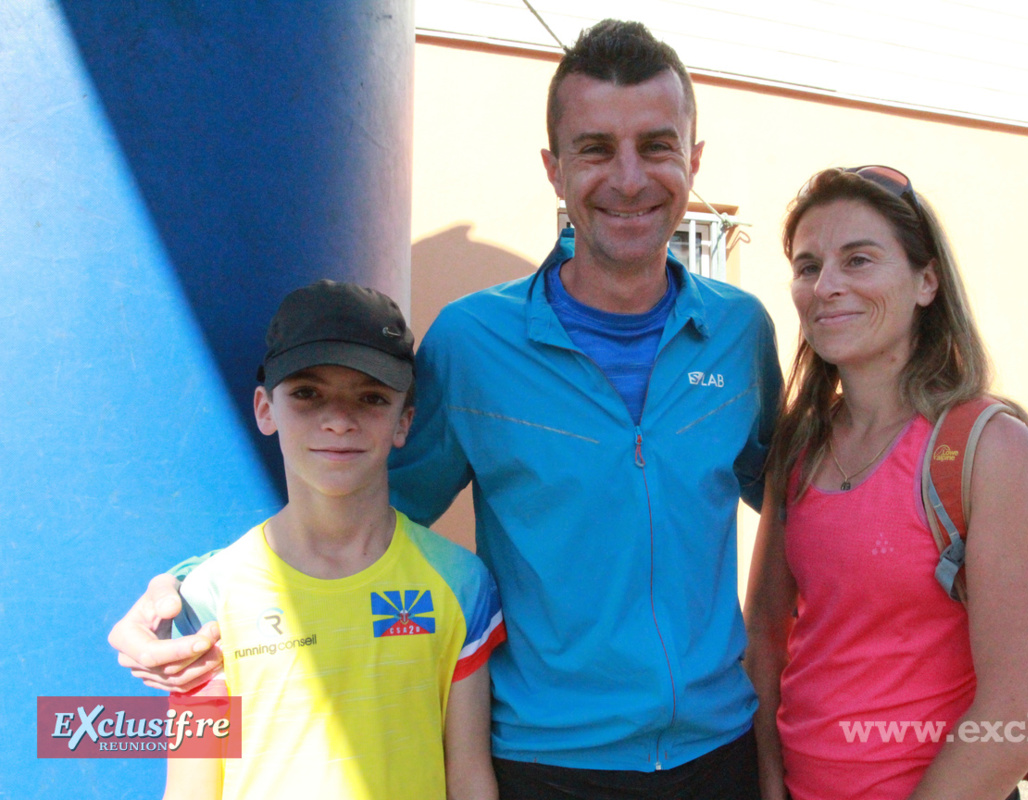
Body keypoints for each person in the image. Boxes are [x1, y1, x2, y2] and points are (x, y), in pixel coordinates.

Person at [111, 20, 782, 800]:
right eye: (596, 149)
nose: (629, 179)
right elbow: (362, 504)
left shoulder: (740, 331)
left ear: (694, 159)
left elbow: (800, 506)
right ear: (554, 170)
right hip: (544, 765)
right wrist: (192, 587)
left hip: (719, 752)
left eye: (657, 146)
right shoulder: (472, 343)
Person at [742, 166, 1028, 800]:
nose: (826, 286)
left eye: (858, 260)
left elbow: (1021, 717)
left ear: (926, 282)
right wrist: (770, 783)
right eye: (808, 267)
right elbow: (764, 637)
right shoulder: (799, 445)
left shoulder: (989, 448)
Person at [161, 280, 506, 800]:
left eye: (371, 398)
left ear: (404, 422)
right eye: (307, 393)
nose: (339, 421)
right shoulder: (208, 596)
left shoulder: (460, 583)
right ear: (265, 409)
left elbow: (469, 777)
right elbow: (190, 788)